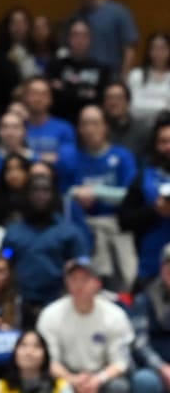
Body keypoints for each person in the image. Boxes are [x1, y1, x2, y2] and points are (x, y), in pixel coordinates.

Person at [57, 105, 138, 290]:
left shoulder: (122, 156)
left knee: (127, 278)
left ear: (105, 127)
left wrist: (96, 192)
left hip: (117, 225)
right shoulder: (69, 157)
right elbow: (62, 195)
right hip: (82, 225)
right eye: (84, 124)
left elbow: (128, 195)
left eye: (95, 123)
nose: (90, 129)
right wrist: (76, 192)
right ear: (79, 129)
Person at [4, 171, 90, 327]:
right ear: (26, 195)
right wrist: (1, 255)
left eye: (46, 190)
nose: (40, 195)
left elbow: (82, 263)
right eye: (35, 190)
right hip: (22, 301)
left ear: (54, 195)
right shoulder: (13, 232)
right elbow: (6, 257)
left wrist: (76, 266)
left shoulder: (69, 232)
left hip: (59, 301)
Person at [36, 257, 133, 393]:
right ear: (66, 282)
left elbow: (120, 362)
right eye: (73, 279)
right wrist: (72, 379)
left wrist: (98, 379)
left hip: (102, 374)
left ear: (98, 283)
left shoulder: (115, 315)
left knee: (119, 386)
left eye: (85, 279)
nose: (79, 285)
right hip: (65, 373)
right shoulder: (50, 314)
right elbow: (49, 360)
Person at [119, 115, 170, 289]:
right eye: (163, 142)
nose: (168, 147)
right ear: (156, 145)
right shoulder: (143, 176)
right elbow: (124, 220)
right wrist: (155, 211)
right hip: (148, 270)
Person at [69, 0, 139, 80]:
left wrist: (123, 78)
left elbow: (129, 49)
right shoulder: (76, 16)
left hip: (111, 77)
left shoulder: (119, 12)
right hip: (86, 78)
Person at [46, 18, 111, 124]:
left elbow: (99, 99)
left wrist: (66, 89)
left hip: (91, 123)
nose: (80, 39)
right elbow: (53, 98)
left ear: (90, 39)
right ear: (69, 38)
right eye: (75, 35)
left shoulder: (101, 69)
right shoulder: (56, 66)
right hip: (61, 120)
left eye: (84, 35)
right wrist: (86, 92)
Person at [130, 244, 170, 393]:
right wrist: (162, 368)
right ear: (162, 268)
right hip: (154, 368)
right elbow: (140, 342)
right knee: (144, 381)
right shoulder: (145, 299)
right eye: (168, 266)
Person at [0, 330, 75, 393]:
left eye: (36, 346)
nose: (29, 352)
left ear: (45, 356)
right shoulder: (0, 388)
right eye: (23, 345)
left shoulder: (61, 387)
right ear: (15, 353)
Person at [24, 77, 77, 165]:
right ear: (25, 98)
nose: (38, 99)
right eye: (33, 93)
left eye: (43, 94)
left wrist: (31, 156)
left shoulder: (64, 128)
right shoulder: (17, 127)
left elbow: (66, 160)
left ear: (50, 99)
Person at [104, 81, 152, 161]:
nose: (113, 103)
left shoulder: (142, 130)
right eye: (110, 98)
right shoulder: (98, 130)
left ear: (128, 102)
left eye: (118, 98)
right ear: (104, 103)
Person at [128, 32, 170, 120]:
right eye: (154, 48)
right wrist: (162, 108)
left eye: (163, 48)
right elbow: (132, 106)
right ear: (149, 51)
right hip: (138, 124)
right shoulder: (136, 75)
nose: (158, 53)